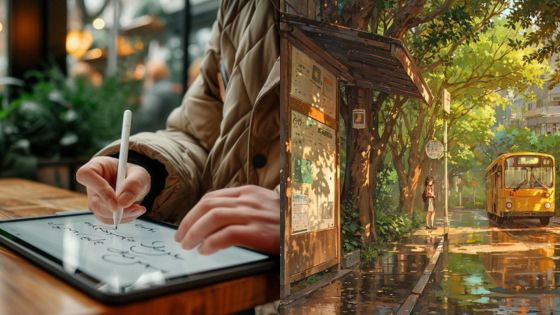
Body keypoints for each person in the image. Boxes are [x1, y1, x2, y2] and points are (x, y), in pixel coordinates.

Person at [76, 0, 280, 256]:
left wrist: (311, 217)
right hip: (213, 259)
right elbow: (197, 133)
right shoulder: (240, 7)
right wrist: (149, 170)